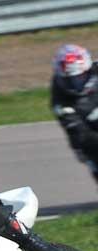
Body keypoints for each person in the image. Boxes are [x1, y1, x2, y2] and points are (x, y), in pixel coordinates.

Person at [51, 44, 98, 186]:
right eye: (70, 80)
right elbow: (79, 134)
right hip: (91, 136)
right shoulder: (62, 101)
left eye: (80, 77)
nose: (76, 83)